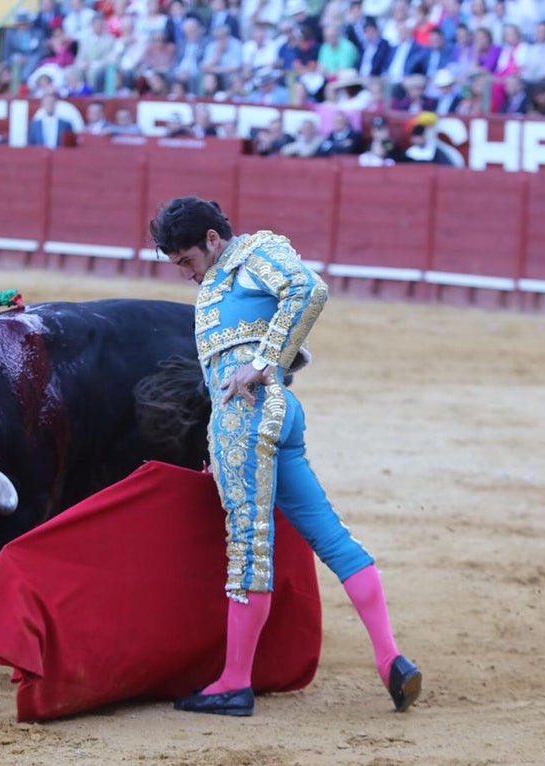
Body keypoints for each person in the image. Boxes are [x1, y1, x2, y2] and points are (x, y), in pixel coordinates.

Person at [147, 196, 423, 718]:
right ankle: (390, 658)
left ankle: (234, 682)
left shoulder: (252, 255)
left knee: (248, 546)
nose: (184, 273)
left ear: (211, 238)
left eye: (186, 260)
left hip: (251, 414)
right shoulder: (224, 281)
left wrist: (262, 362)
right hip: (268, 414)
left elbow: (308, 289)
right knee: (329, 535)